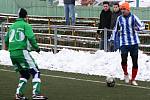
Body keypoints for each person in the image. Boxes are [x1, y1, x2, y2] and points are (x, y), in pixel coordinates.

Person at [5, 8, 48, 100]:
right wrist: (37, 48)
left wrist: (10, 48)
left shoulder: (12, 26)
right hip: (21, 52)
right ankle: (36, 94)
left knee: (25, 74)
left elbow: (6, 40)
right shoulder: (26, 25)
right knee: (36, 72)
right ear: (26, 16)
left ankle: (18, 94)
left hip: (12, 53)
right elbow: (31, 38)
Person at [111, 2, 145, 86]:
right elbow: (115, 29)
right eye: (121, 9)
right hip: (123, 42)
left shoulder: (134, 17)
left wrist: (137, 28)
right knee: (123, 59)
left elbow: (142, 26)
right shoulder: (119, 18)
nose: (122, 11)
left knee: (135, 61)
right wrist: (112, 38)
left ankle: (133, 79)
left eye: (124, 9)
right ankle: (126, 74)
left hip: (134, 43)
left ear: (128, 9)